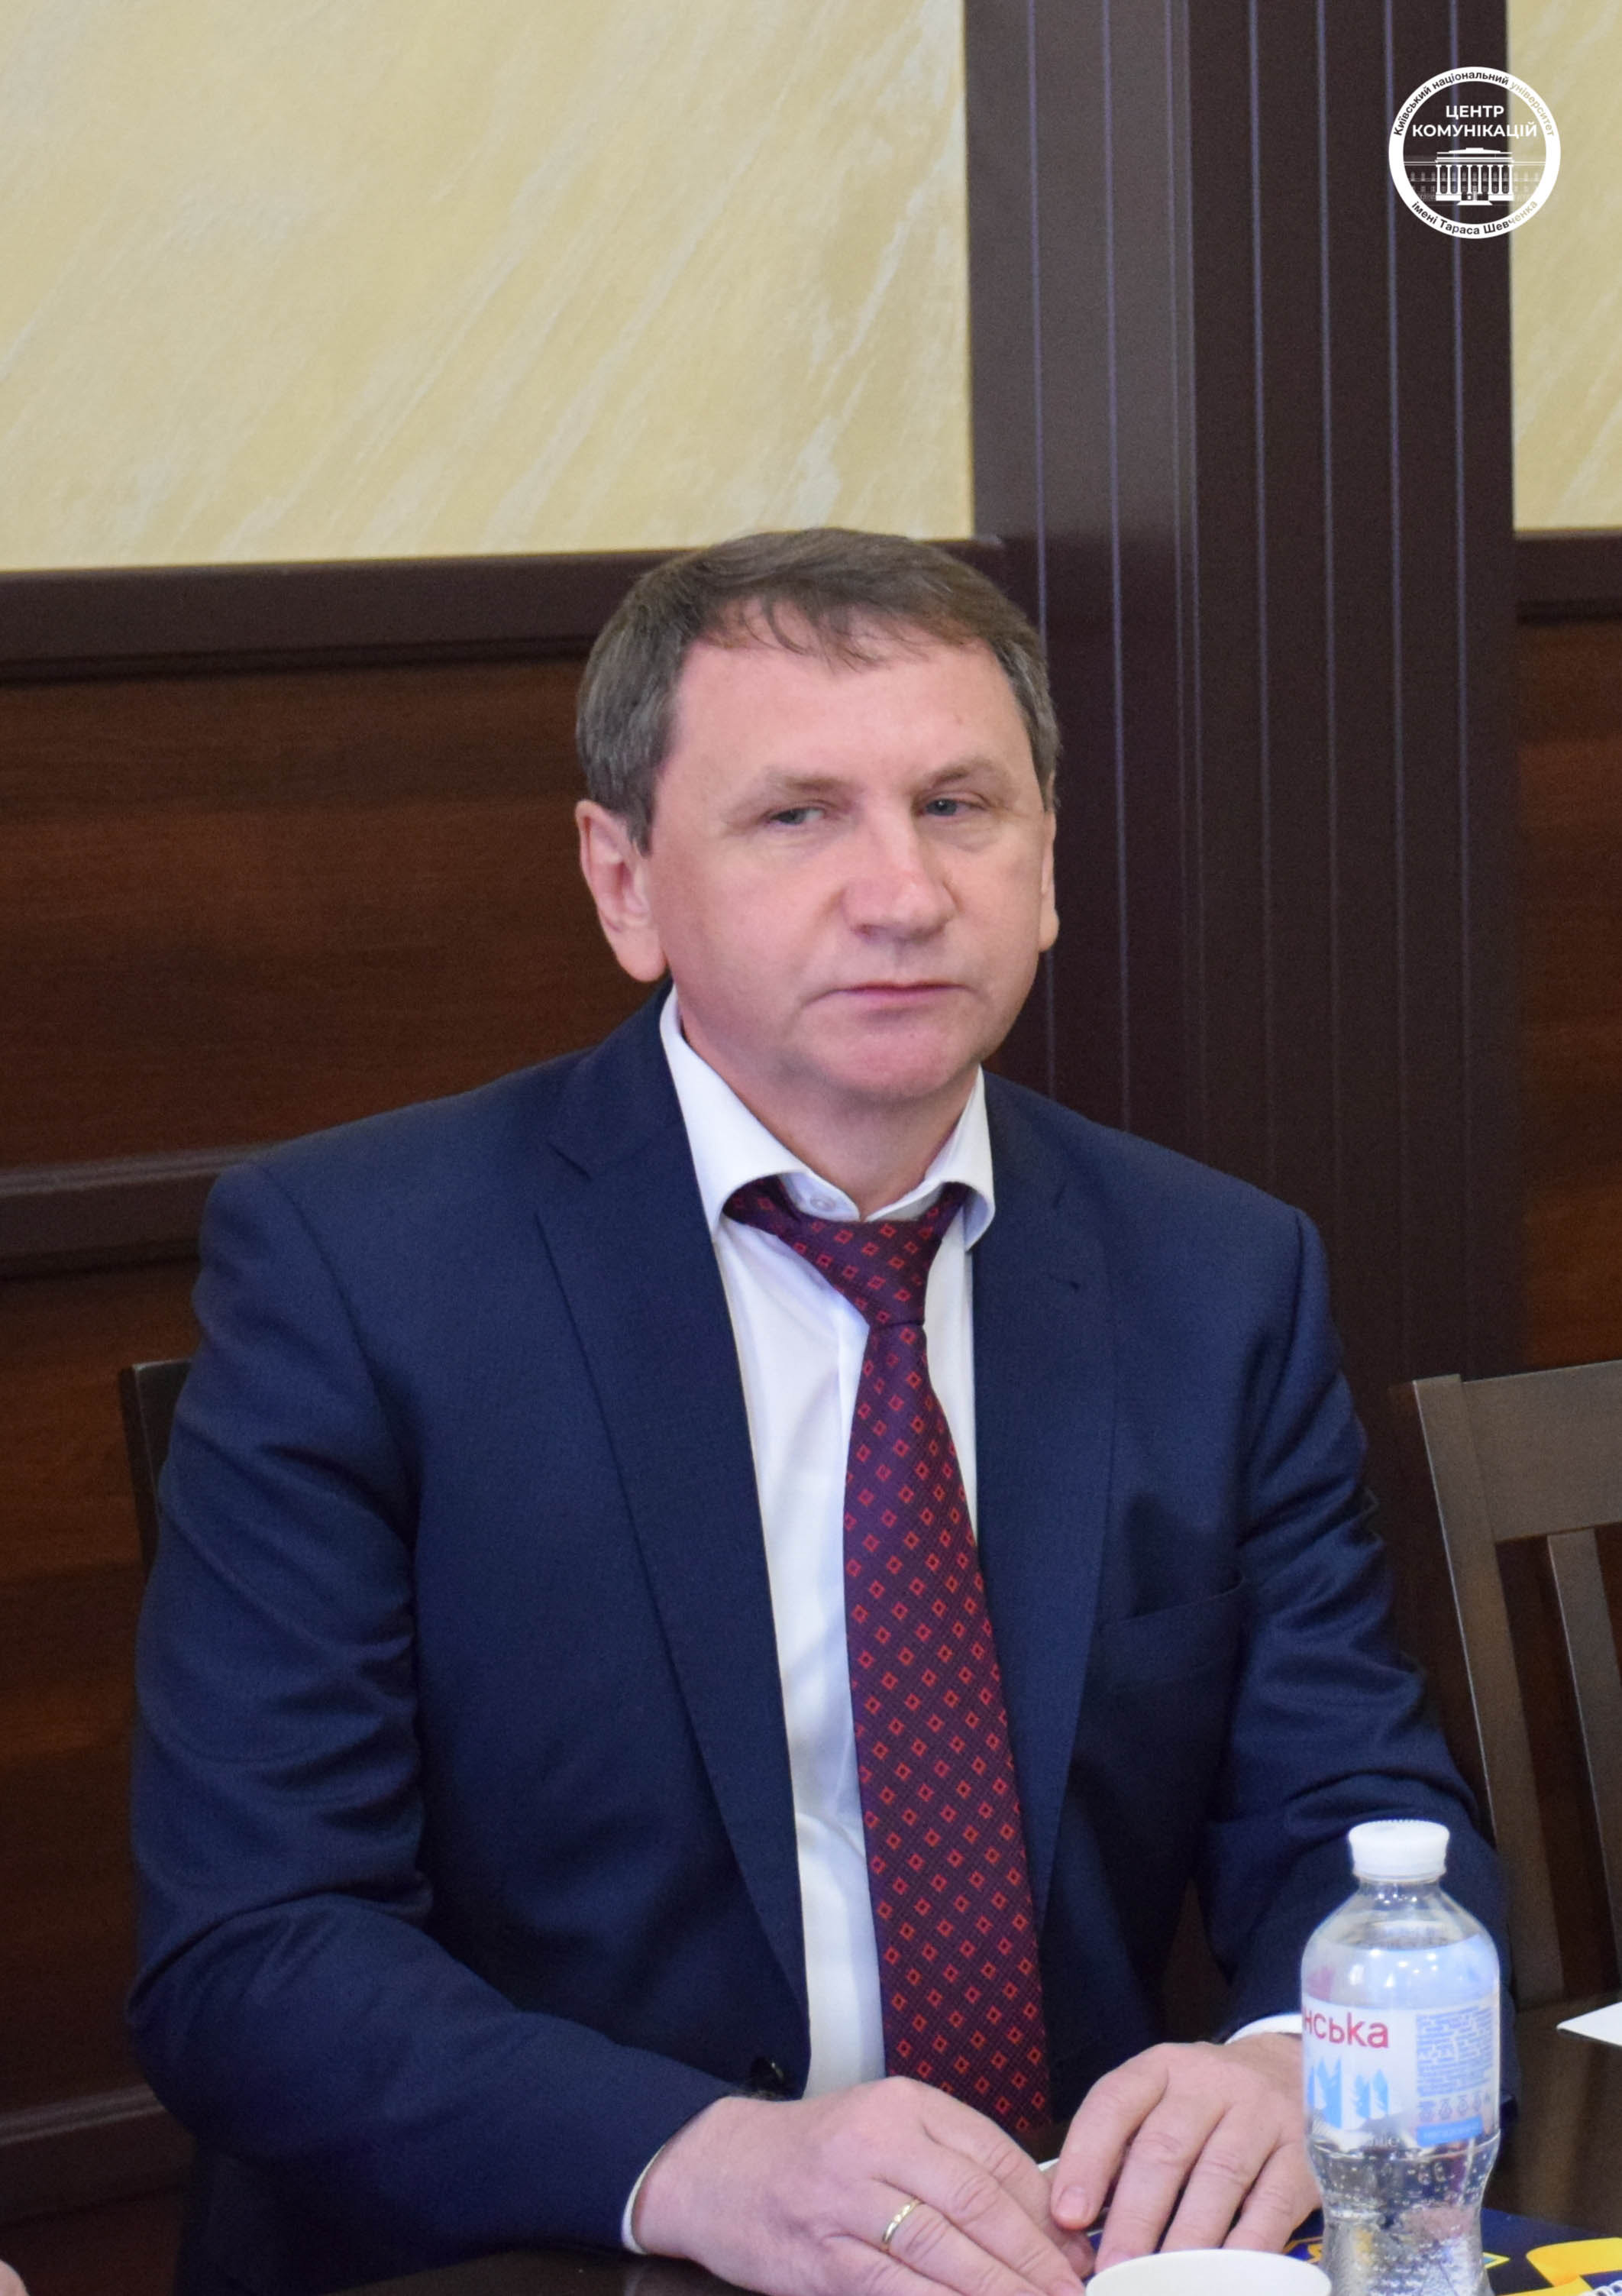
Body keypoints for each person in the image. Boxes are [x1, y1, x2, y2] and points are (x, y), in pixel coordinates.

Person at [131, 529, 1505, 2296]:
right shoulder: (359, 1270)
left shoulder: (1216, 1273)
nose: (903, 892)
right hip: (566, 2253)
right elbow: (254, 1953)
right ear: (624, 881)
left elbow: (1360, 1805)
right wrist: (700, 2160)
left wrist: (1287, 2063)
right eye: (798, 816)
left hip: (1050, 2251)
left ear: (1048, 866)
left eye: (959, 807)